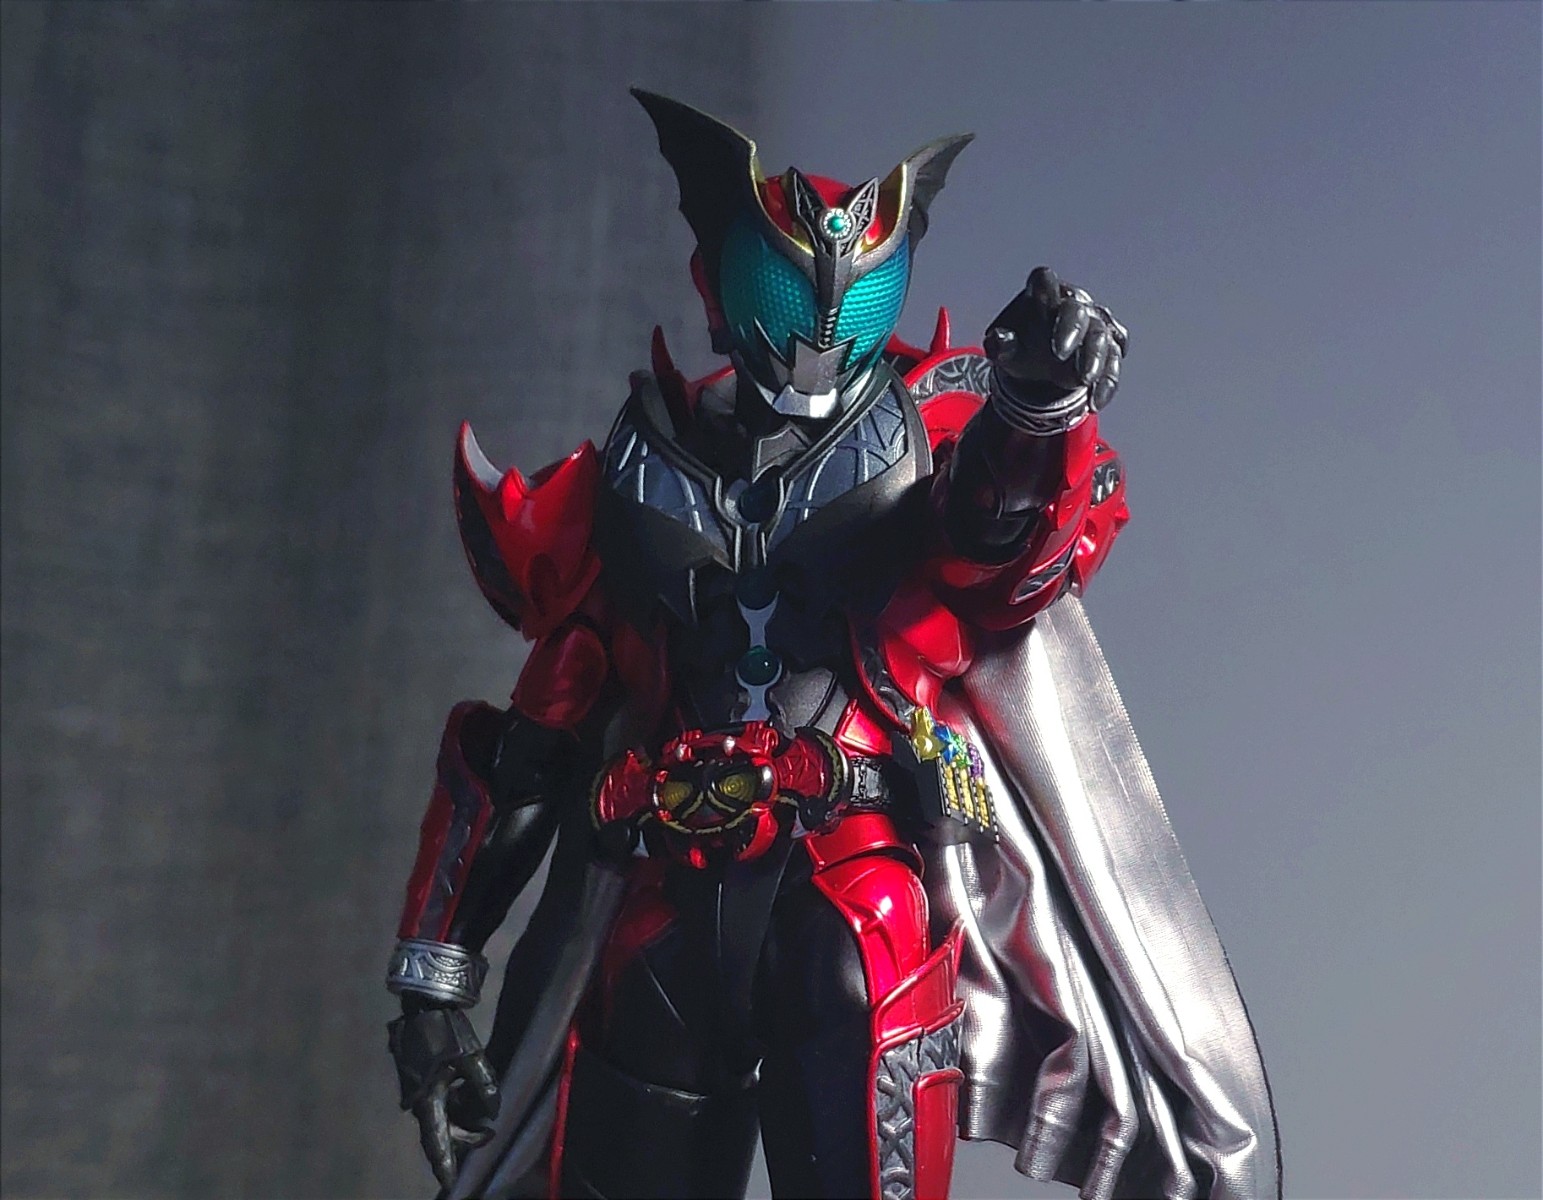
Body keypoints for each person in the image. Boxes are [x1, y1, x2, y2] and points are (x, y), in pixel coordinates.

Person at [385, 89, 1280, 1200]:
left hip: (854, 900)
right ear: (718, 277)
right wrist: (431, 981)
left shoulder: (926, 444)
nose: (816, 326)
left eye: (853, 295)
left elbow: (999, 547)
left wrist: (1036, 410)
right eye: (783, 288)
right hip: (659, 906)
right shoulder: (631, 472)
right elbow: (532, 746)